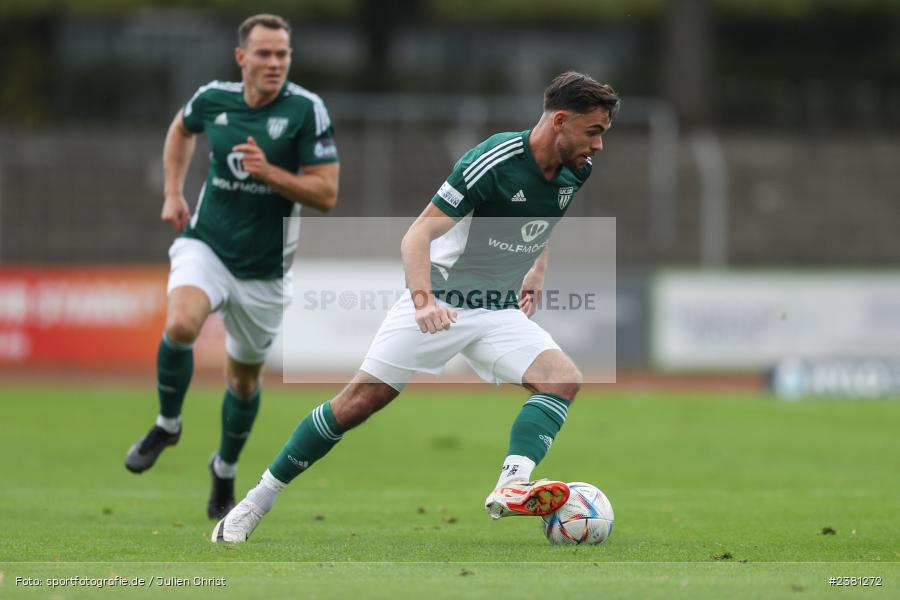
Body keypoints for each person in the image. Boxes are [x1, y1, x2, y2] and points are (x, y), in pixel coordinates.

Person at [212, 71, 619, 543]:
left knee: (563, 379)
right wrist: (423, 302)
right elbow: (417, 234)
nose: (599, 146)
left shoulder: (577, 168)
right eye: (594, 132)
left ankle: (511, 486)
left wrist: (536, 271)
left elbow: (541, 221)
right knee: (356, 404)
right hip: (438, 301)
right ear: (561, 121)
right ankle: (254, 503)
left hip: (498, 311)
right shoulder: (492, 161)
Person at [124, 14, 340, 521]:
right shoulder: (212, 99)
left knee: (243, 381)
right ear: (241, 58)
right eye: (264, 54)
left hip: (265, 271)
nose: (274, 63)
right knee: (180, 323)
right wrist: (173, 191)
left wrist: (271, 173)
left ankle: (224, 466)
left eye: (282, 54)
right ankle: (168, 423)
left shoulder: (307, 110)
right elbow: (181, 129)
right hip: (208, 246)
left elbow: (327, 194)